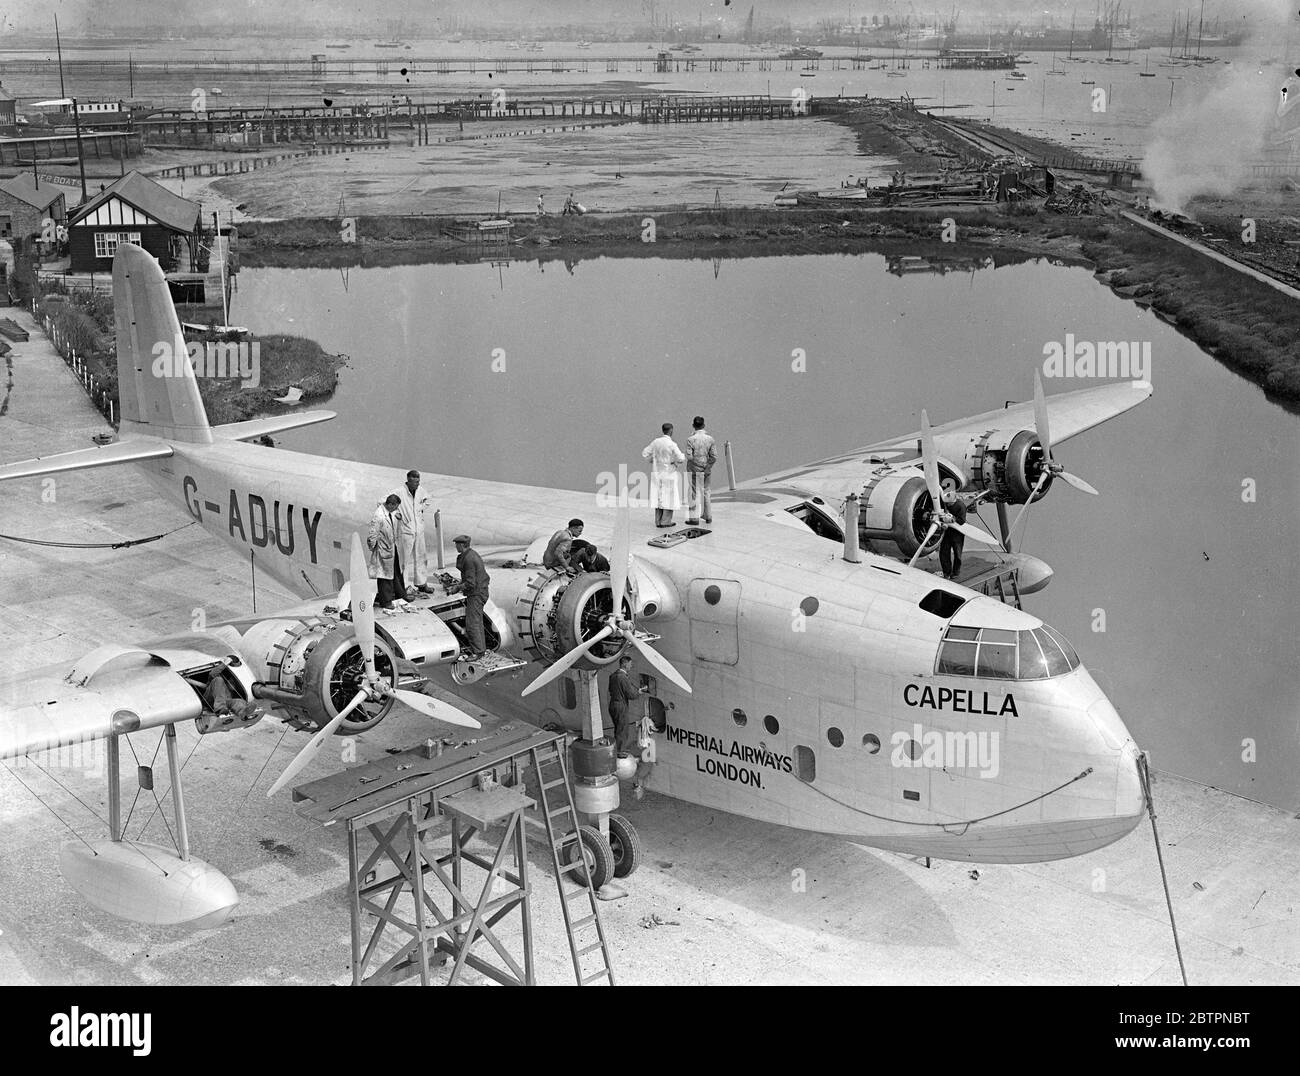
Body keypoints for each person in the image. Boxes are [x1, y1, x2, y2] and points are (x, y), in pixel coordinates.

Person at [392, 469, 434, 596]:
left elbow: (428, 500)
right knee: (403, 561)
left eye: (418, 482)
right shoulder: (399, 492)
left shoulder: (421, 491)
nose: (416, 484)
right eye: (414, 482)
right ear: (408, 481)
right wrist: (396, 513)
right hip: (405, 531)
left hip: (419, 530)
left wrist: (421, 508)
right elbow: (382, 502)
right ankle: (404, 587)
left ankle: (421, 584)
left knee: (421, 557)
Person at [452, 534, 490, 658]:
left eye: (457, 544)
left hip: (476, 594)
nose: (456, 546)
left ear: (462, 545)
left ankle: (477, 652)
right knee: (477, 622)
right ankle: (481, 650)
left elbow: (470, 583)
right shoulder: (471, 554)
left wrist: (457, 588)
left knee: (472, 624)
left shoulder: (468, 559)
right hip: (480, 591)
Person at [642, 421, 685, 528]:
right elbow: (681, 458)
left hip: (657, 472)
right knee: (669, 497)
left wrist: (653, 460)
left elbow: (645, 453)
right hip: (669, 472)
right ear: (671, 431)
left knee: (658, 496)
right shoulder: (672, 444)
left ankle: (658, 521)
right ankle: (665, 521)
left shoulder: (656, 442)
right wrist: (674, 462)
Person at [367, 494, 406, 608]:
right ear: (390, 504)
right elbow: (372, 535)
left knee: (397, 572)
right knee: (384, 577)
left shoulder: (389, 510)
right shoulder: (379, 516)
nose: (396, 510)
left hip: (392, 547)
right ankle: (386, 601)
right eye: (395, 507)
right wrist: (374, 549)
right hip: (383, 549)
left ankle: (400, 595)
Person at [607, 655, 647, 757]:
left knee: (618, 728)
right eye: (630, 664)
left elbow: (611, 690)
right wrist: (639, 692)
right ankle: (621, 751)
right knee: (623, 728)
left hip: (613, 704)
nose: (631, 666)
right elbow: (631, 695)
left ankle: (618, 748)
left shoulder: (613, 675)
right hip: (621, 705)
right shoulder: (623, 677)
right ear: (624, 664)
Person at [684, 415, 717, 526]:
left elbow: (689, 457)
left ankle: (694, 518)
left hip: (693, 469)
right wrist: (707, 467)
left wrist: (695, 464)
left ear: (693, 426)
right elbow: (714, 456)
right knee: (706, 492)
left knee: (694, 492)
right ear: (703, 425)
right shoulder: (710, 439)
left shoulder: (690, 440)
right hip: (706, 469)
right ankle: (708, 516)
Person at [938, 488, 967, 581]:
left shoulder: (961, 506)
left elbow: (962, 521)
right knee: (943, 553)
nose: (948, 505)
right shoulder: (945, 504)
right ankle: (946, 572)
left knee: (957, 554)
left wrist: (952, 519)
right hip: (946, 532)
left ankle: (956, 572)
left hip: (957, 534)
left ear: (954, 499)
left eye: (949, 503)